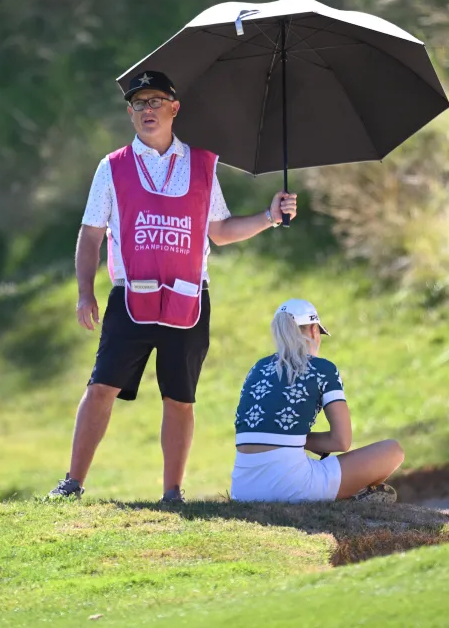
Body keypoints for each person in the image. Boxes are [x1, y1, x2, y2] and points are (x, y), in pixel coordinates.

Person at [47, 70, 298, 503]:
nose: (148, 110)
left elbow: (218, 230)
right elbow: (90, 235)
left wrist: (269, 216)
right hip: (131, 298)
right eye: (139, 103)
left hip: (187, 300)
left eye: (156, 101)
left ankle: (172, 493)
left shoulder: (202, 163)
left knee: (179, 398)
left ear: (174, 108)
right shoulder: (112, 168)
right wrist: (85, 292)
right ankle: (72, 483)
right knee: (101, 387)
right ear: (129, 113)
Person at [230, 299, 404, 503]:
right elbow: (341, 441)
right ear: (314, 330)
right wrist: (307, 441)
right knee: (393, 450)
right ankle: (348, 499)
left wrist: (295, 440)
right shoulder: (323, 369)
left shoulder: (257, 368)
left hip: (242, 490)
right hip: (292, 487)